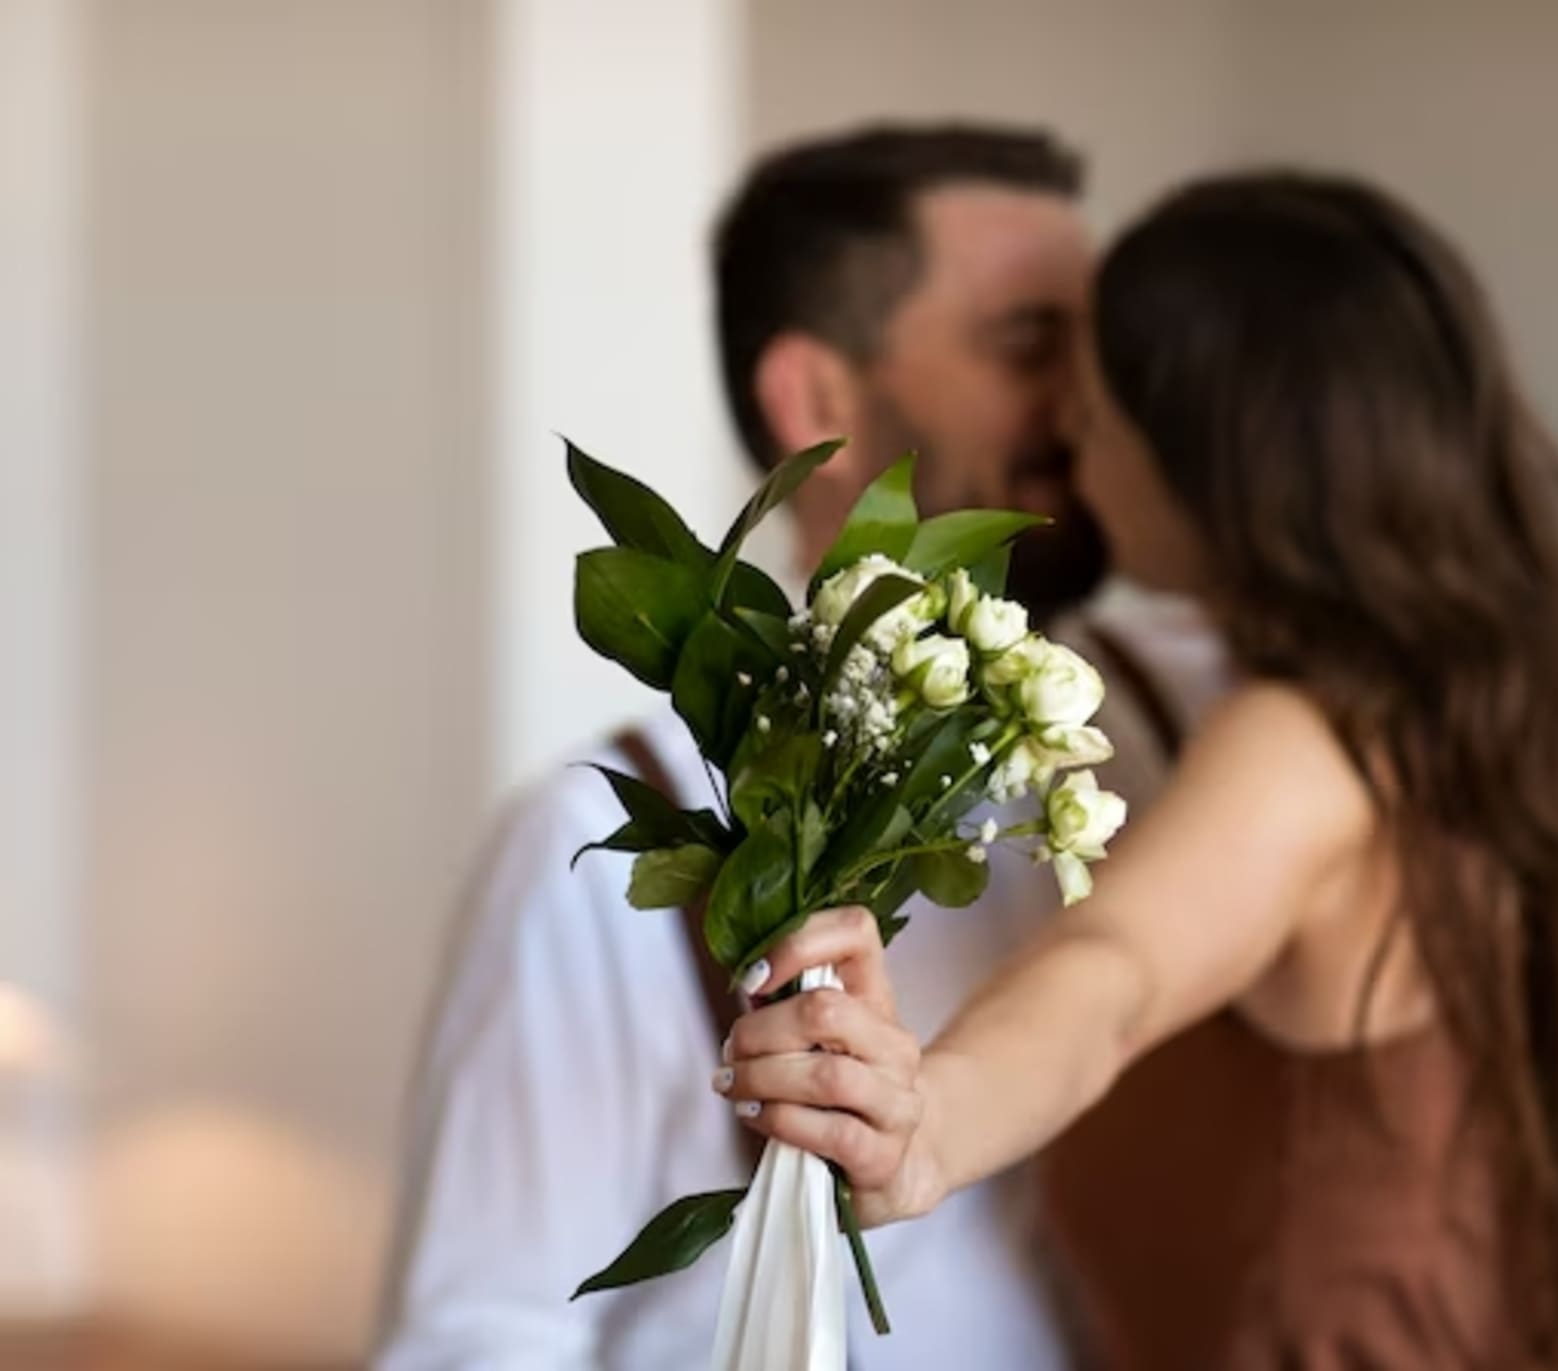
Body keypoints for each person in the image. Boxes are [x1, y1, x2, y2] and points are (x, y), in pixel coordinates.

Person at [717, 172, 1558, 1369]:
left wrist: (927, 1127)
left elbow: (1114, 975)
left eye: (1090, 414)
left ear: (1211, 452)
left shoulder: (1307, 745)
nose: (1071, 455)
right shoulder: (1489, 713)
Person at [374, 124, 1111, 1371]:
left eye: (1098, 352)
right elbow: (479, 1342)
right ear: (817, 397)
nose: (1089, 404)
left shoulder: (1146, 748)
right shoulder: (597, 853)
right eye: (1030, 347)